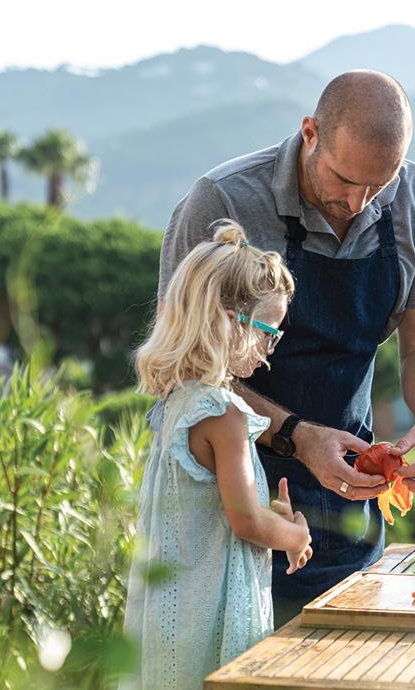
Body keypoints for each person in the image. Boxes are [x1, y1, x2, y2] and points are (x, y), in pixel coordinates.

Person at [157, 70, 415, 624]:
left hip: (352, 509)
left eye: (378, 186)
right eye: (344, 179)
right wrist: (297, 437)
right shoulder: (224, 201)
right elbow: (183, 366)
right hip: (233, 522)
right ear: (309, 133)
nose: (358, 201)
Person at [124, 221, 312, 689]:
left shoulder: (175, 404)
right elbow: (246, 522)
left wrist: (269, 515)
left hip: (170, 610)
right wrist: (290, 534)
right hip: (210, 616)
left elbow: (215, 508)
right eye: (270, 332)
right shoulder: (223, 413)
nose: (271, 349)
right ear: (230, 321)